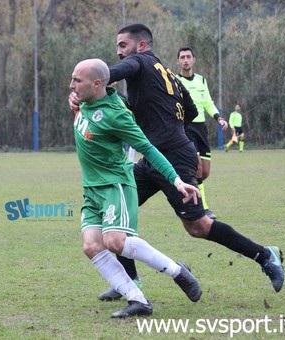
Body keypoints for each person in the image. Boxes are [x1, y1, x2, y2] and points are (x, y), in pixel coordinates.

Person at [69, 24, 284, 301]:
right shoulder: (167, 73)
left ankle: (265, 256)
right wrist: (166, 125)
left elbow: (110, 74)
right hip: (156, 156)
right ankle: (129, 282)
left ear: (142, 45)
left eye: (123, 45)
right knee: (116, 220)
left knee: (199, 227)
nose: (120, 52)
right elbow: (192, 110)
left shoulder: (140, 61)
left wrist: (89, 82)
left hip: (173, 156)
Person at [70, 58, 202, 318]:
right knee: (91, 246)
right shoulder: (85, 99)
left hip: (115, 185)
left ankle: (177, 271)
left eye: (77, 81)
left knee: (115, 242)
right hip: (92, 189)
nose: (71, 85)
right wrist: (74, 101)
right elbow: (79, 107)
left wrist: (176, 180)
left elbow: (148, 149)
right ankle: (137, 299)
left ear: (97, 84)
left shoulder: (116, 115)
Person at [176, 47, 228, 220]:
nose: (185, 60)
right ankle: (203, 208)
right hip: (186, 128)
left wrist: (219, 118)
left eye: (188, 57)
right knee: (197, 167)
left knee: (204, 172)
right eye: (182, 57)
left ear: (194, 60)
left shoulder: (201, 80)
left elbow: (207, 102)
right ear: (178, 62)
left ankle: (189, 194)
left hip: (201, 128)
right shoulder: (175, 81)